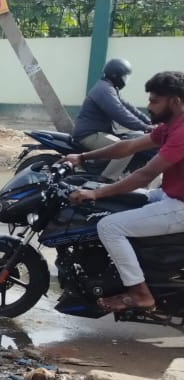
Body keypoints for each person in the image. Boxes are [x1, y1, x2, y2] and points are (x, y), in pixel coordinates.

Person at [66, 71, 184, 312]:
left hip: (180, 205)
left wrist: (97, 193)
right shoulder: (170, 126)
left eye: (154, 101)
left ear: (175, 102)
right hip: (170, 195)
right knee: (129, 200)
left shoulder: (181, 132)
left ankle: (140, 294)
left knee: (109, 227)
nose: (148, 106)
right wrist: (83, 157)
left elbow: (145, 174)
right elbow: (128, 146)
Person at [72, 58, 154, 180]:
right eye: (124, 77)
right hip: (89, 135)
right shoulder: (104, 90)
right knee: (126, 149)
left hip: (100, 132)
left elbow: (128, 107)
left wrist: (149, 121)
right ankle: (107, 180)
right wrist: (145, 127)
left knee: (133, 137)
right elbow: (120, 113)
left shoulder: (110, 88)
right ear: (116, 75)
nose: (125, 80)